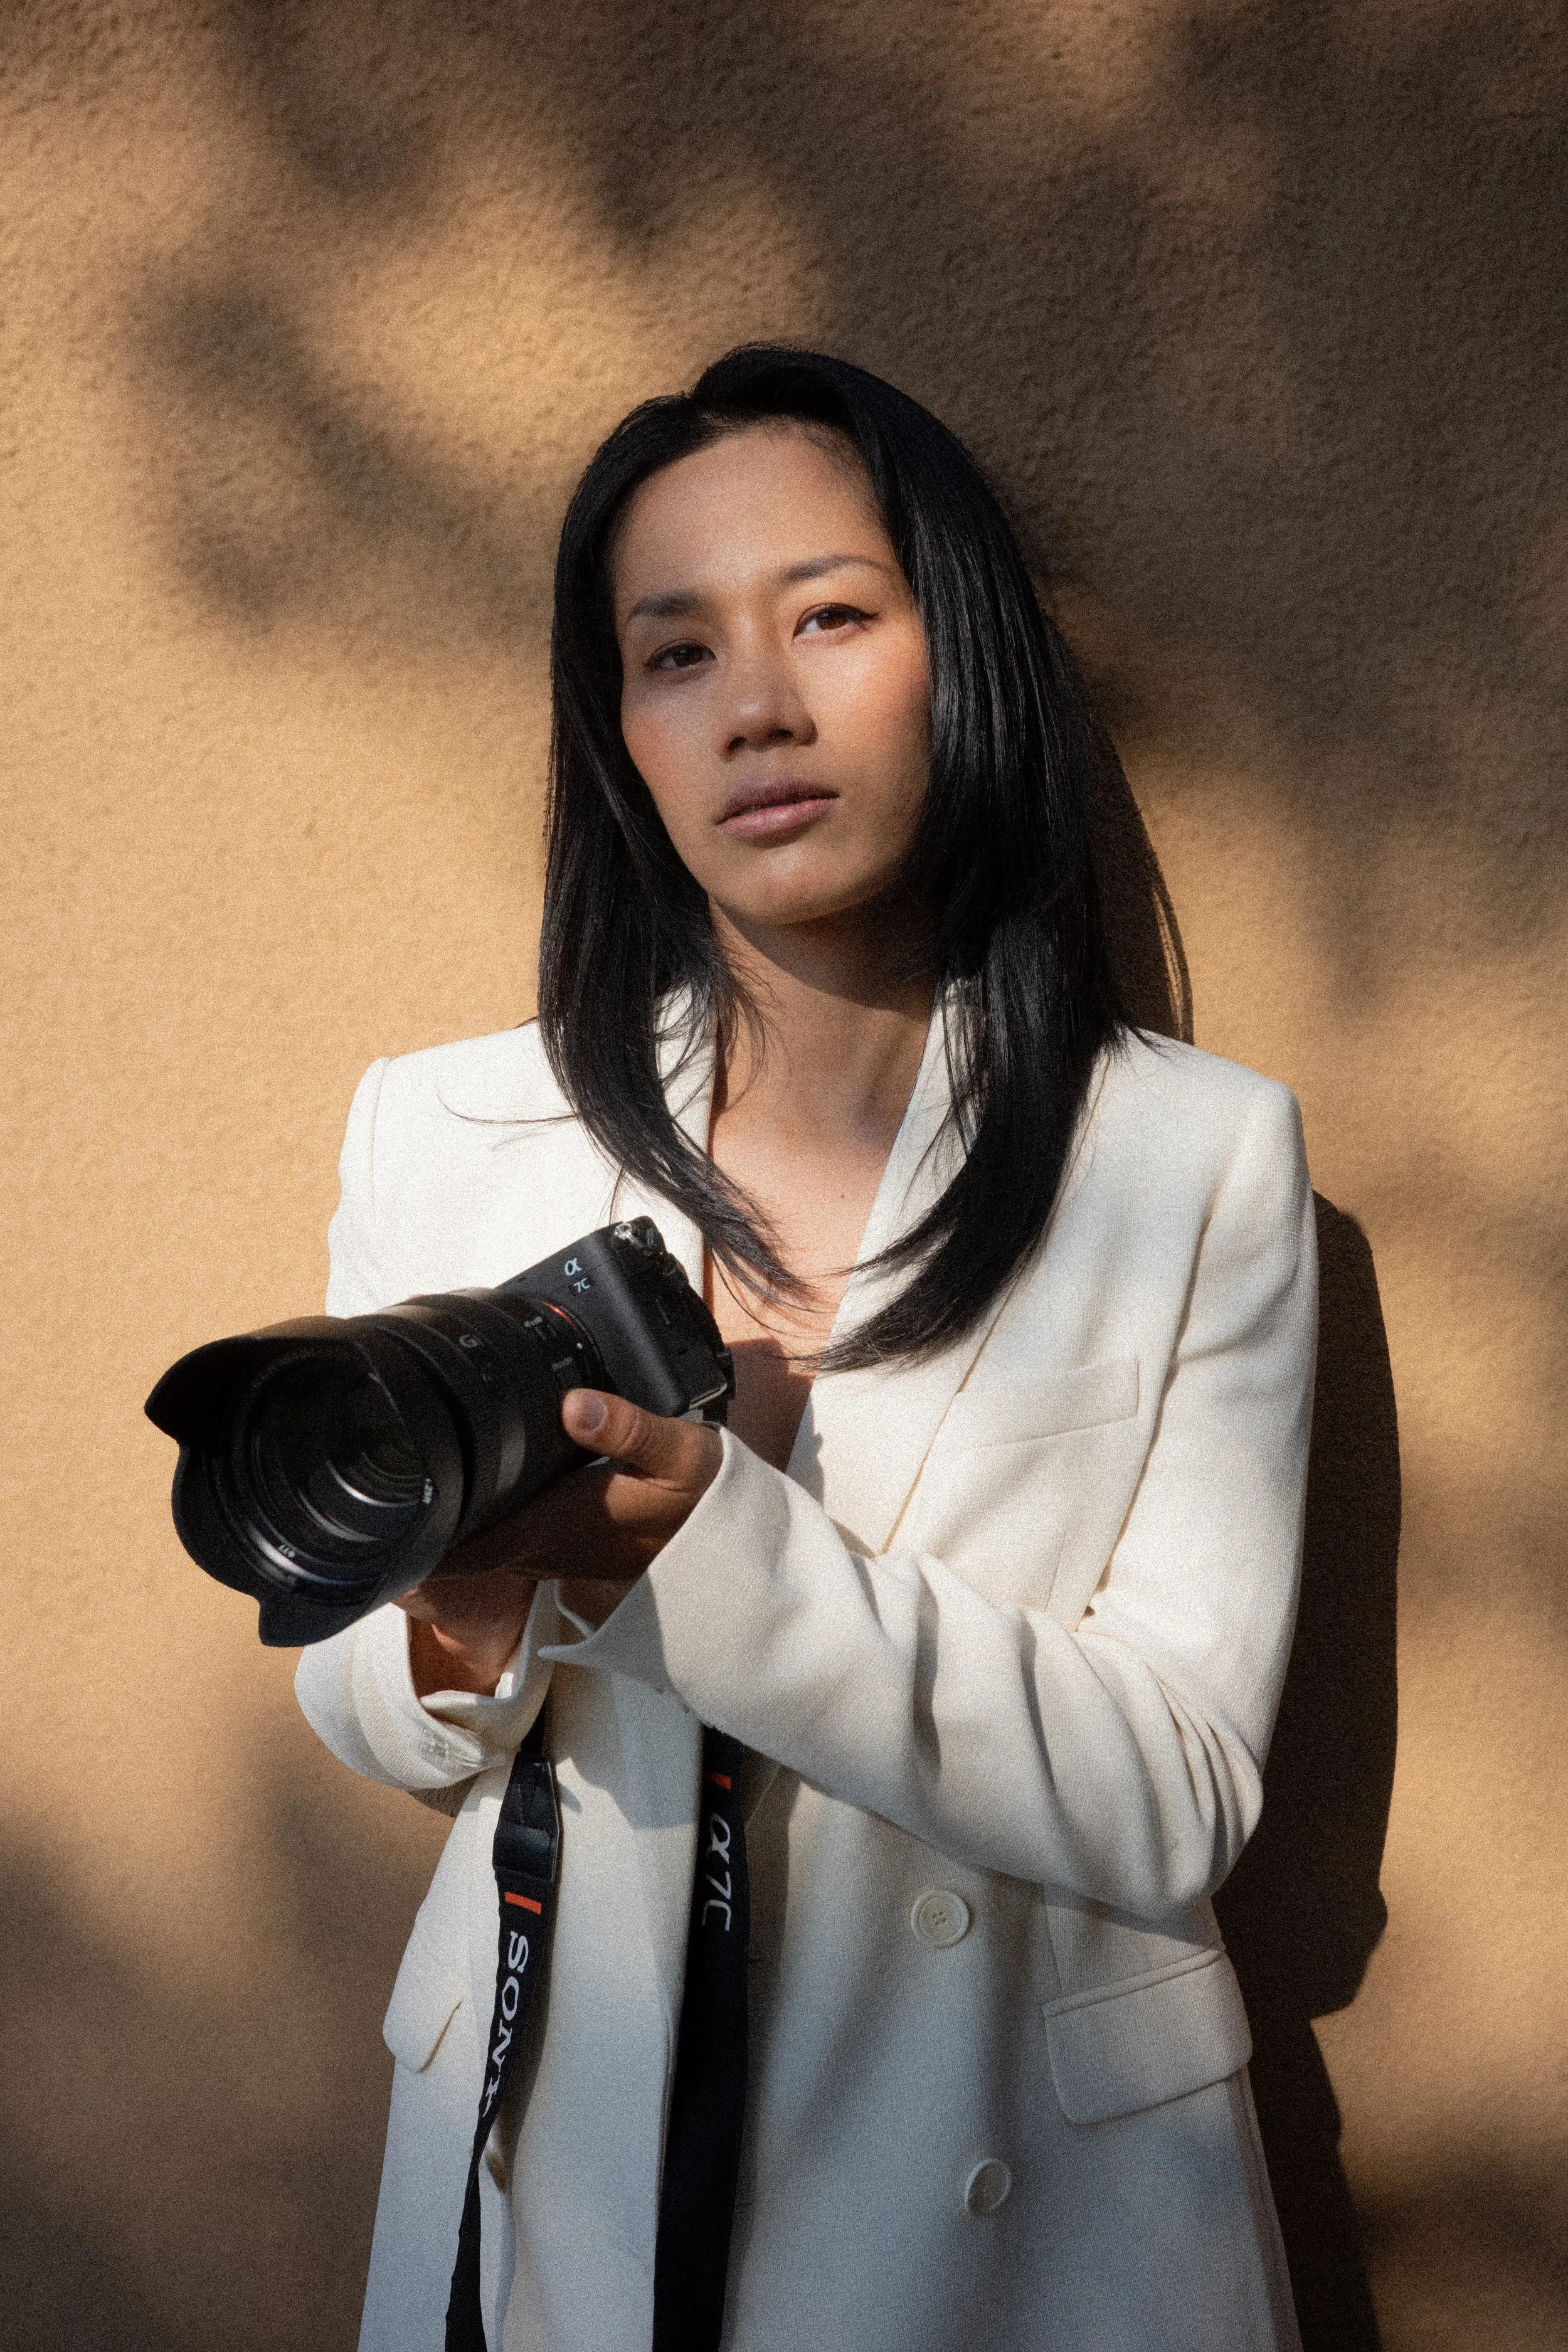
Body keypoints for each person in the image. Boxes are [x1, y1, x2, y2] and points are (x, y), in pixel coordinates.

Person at [296, 346, 1315, 2352]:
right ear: (622, 738)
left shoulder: (1189, 1154)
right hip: (553, 2164)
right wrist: (458, 1614)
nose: (757, 704)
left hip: (1018, 2196)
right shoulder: (447, 1127)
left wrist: (718, 1555)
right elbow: (369, 1704)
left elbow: (1173, 1783)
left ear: (961, 657)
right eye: (674, 654)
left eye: (830, 616)